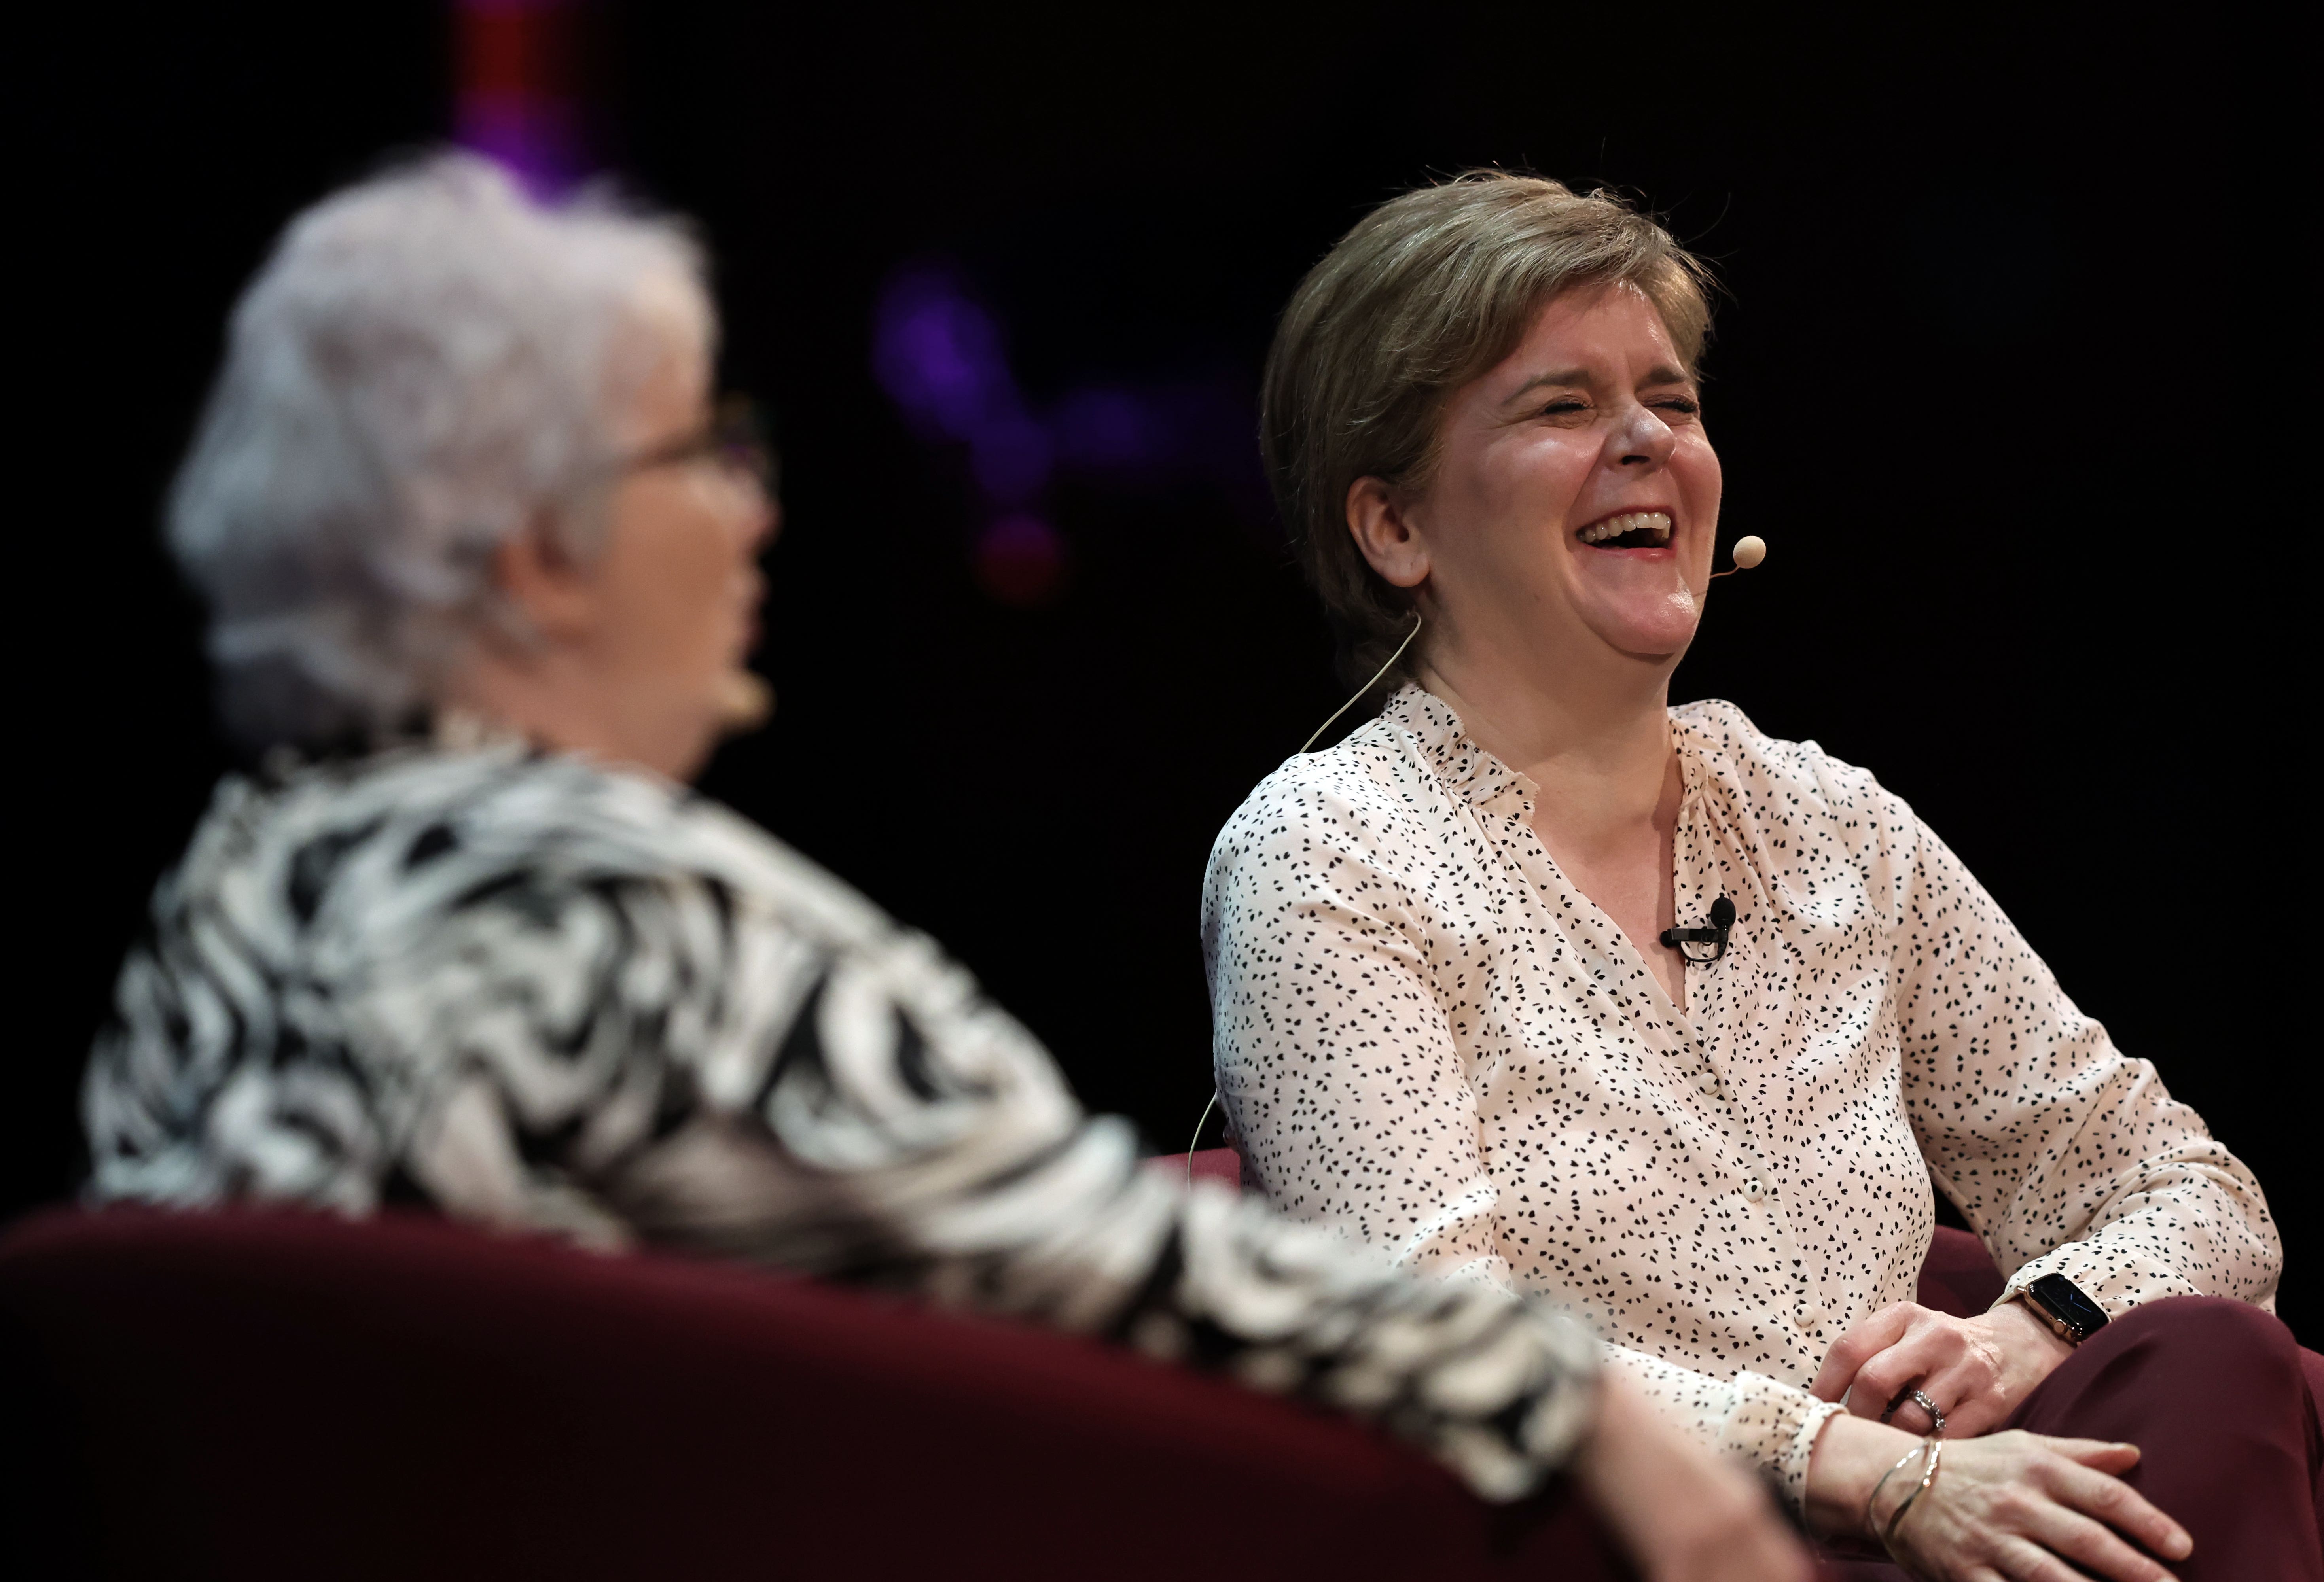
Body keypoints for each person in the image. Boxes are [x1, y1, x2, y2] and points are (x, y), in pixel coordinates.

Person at [81, 153, 1811, 1582]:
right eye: (706, 451)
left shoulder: (230, 901)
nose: (761, 510)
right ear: (540, 557)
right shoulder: (623, 916)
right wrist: (1589, 1411)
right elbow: (1109, 1267)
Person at [1205, 172, 2324, 1579]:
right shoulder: (1329, 857)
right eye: (1562, 408)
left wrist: (2024, 1330)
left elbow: (2189, 1191)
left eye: (1671, 404)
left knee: (2207, 1361)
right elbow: (1432, 1341)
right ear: (1396, 529)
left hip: (1944, 1533)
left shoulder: (1826, 825)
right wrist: (1855, 1468)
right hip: (1626, 1543)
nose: (1644, 444)